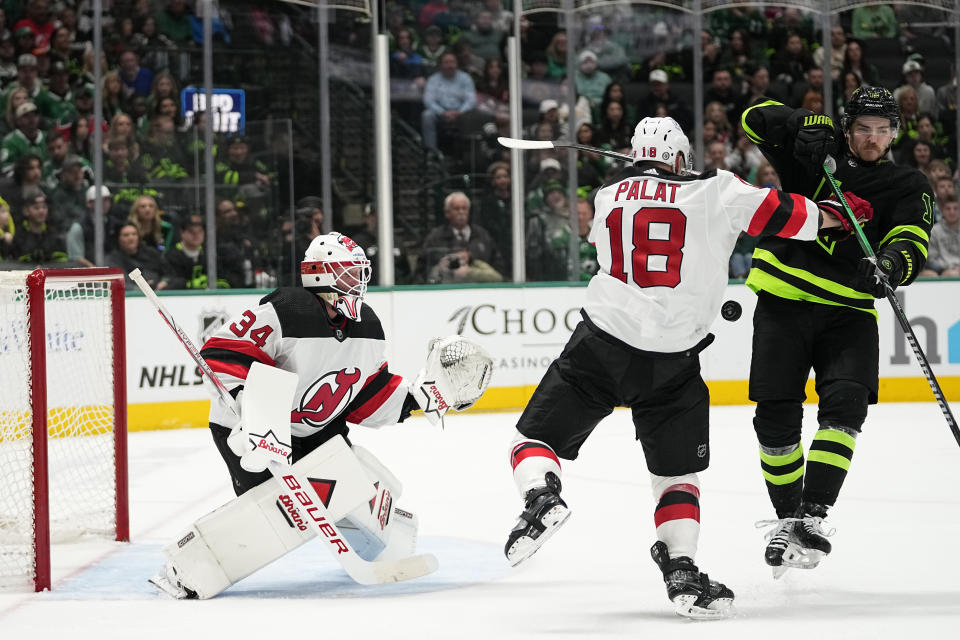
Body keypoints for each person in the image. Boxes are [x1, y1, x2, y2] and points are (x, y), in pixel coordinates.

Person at [502, 116, 852, 619]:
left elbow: (616, 241)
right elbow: (795, 217)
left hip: (603, 342)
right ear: (682, 158)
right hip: (674, 360)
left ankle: (540, 495)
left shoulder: (607, 197)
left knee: (531, 441)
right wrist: (840, 212)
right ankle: (682, 568)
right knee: (676, 475)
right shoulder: (719, 190)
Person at [149, 232, 491, 599]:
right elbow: (223, 354)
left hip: (317, 431)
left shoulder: (368, 327)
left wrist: (415, 399)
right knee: (276, 511)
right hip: (252, 429)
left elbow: (365, 394)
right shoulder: (286, 309)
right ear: (318, 274)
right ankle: (185, 570)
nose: (357, 281)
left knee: (350, 486)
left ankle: (391, 536)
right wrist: (252, 408)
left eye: (359, 272)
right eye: (347, 273)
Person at [740, 86, 934, 576]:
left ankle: (812, 516)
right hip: (783, 299)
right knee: (775, 419)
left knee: (845, 405)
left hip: (849, 311)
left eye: (882, 130)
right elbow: (752, 119)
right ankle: (788, 518)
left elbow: (913, 237)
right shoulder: (815, 154)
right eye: (863, 129)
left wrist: (890, 262)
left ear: (895, 132)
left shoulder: (910, 184)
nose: (872, 138)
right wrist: (801, 122)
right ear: (848, 128)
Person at [918, 194, 960, 277]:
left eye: (955, 208)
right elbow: (931, 259)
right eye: (948, 209)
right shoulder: (934, 231)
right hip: (943, 272)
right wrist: (949, 268)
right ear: (942, 211)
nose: (952, 212)